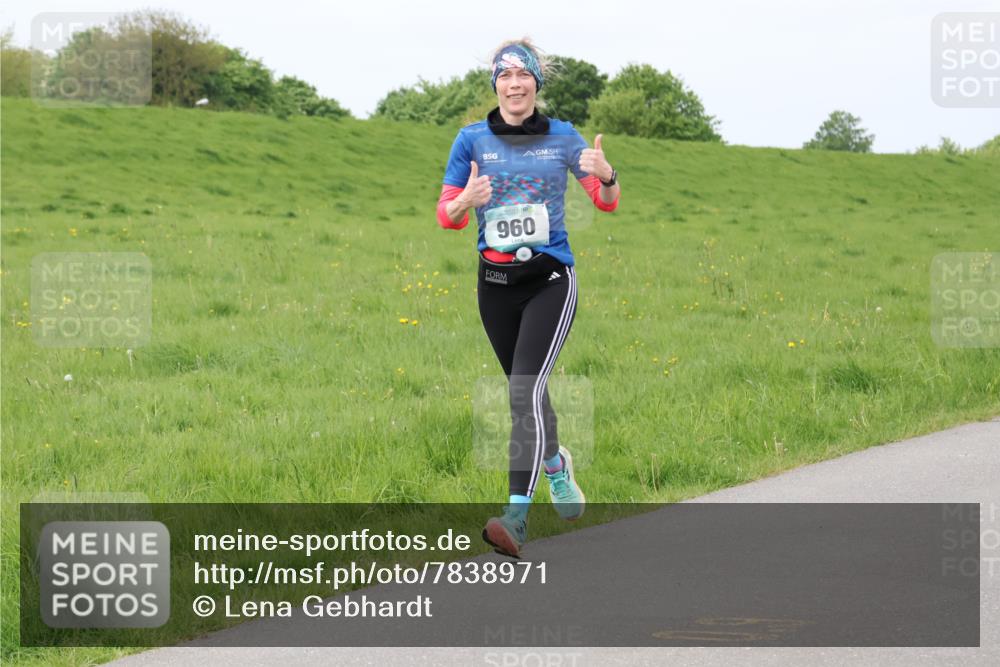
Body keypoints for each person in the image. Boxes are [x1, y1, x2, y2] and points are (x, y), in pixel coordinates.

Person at [436, 38, 620, 558]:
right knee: (528, 393)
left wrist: (607, 177)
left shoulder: (564, 138)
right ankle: (557, 465)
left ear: (536, 84)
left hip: (549, 281)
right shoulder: (470, 140)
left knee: (521, 390)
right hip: (494, 286)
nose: (515, 85)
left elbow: (605, 203)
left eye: (524, 77)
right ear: (495, 84)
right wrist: (464, 202)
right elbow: (445, 215)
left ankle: (515, 516)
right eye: (505, 77)